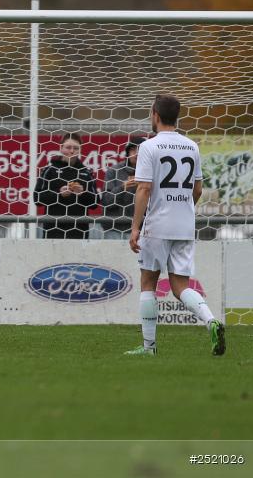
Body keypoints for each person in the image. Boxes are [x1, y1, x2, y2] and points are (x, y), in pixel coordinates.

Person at [127, 95, 225, 356]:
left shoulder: (149, 146)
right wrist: (183, 208)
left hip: (157, 223)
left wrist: (135, 227)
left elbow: (144, 188)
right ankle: (211, 321)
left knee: (148, 282)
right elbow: (198, 189)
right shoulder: (191, 146)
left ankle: (149, 347)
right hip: (184, 224)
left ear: (155, 115)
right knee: (180, 286)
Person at [34, 133, 99, 239]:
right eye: (68, 147)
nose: (72, 151)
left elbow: (95, 203)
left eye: (76, 148)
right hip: (53, 230)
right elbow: (37, 198)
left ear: (80, 150)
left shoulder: (86, 172)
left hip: (79, 231)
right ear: (61, 148)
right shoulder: (50, 169)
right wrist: (59, 194)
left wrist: (83, 194)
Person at [101, 136, 146, 239]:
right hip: (114, 229)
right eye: (133, 149)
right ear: (127, 152)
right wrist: (122, 187)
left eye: (141, 150)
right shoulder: (113, 171)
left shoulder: (150, 173)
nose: (137, 153)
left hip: (142, 230)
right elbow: (106, 201)